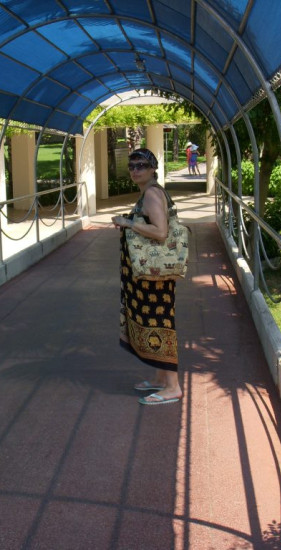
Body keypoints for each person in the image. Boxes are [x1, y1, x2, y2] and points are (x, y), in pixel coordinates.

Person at [112, 148, 183, 405]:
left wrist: (128, 223)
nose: (135, 170)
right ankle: (161, 378)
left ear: (153, 168)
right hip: (149, 274)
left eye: (141, 165)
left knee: (160, 322)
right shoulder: (150, 192)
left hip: (154, 276)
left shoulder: (152, 193)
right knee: (154, 321)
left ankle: (172, 387)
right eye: (132, 166)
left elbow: (160, 231)